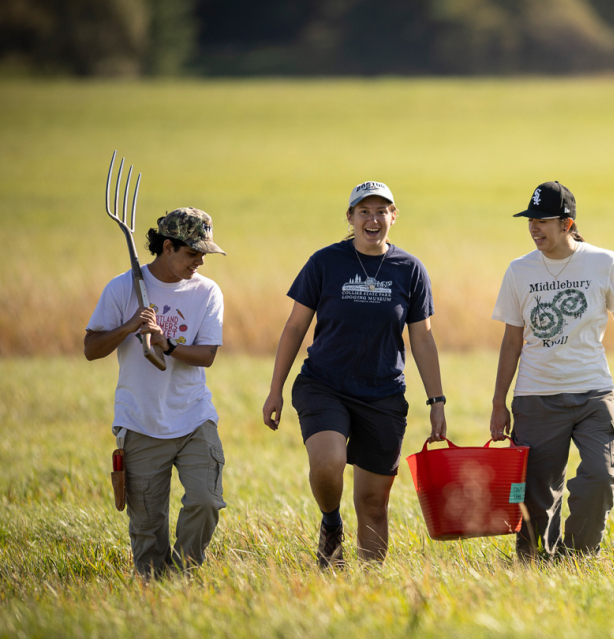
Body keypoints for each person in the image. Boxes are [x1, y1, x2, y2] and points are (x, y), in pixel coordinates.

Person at [262, 180, 446, 568]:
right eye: (364, 211)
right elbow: (295, 327)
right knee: (328, 462)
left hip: (383, 394)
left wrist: (437, 401)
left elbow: (423, 340)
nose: (373, 219)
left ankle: (369, 586)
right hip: (324, 384)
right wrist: (275, 389)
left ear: (394, 217)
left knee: (373, 503)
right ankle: (330, 523)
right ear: (350, 217)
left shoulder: (410, 270)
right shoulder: (325, 262)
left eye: (381, 211)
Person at [489, 181, 614, 561]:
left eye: (543, 220)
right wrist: (498, 403)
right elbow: (511, 343)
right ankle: (535, 565)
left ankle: (577, 557)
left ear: (567, 223)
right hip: (536, 398)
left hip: (593, 394)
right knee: (537, 498)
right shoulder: (519, 271)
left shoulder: (603, 262)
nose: (535, 228)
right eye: (530, 220)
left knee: (600, 478)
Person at [84, 208, 227, 578]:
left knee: (206, 500)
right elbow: (91, 348)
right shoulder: (122, 288)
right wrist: (130, 326)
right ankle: (155, 591)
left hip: (195, 418)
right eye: (193, 253)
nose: (200, 261)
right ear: (167, 247)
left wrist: (168, 345)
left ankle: (182, 576)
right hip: (140, 421)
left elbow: (208, 355)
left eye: (204, 254)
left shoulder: (207, 291)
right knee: (147, 528)